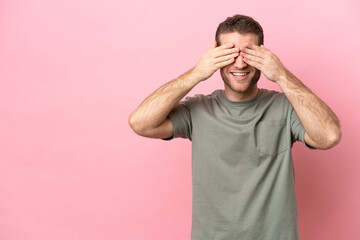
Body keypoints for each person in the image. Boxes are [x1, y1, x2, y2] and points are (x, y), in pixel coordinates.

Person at [129, 14, 341, 240]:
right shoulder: (198, 109)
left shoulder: (285, 107)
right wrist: (196, 74)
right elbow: (140, 123)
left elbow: (329, 136)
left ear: (263, 55)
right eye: (229, 54)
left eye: (248, 54)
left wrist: (281, 75)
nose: (239, 64)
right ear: (215, 56)